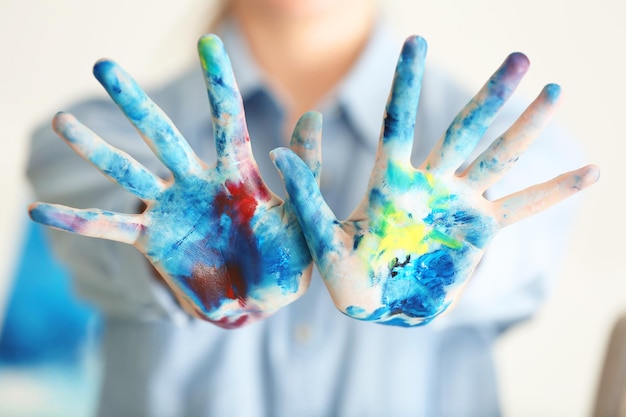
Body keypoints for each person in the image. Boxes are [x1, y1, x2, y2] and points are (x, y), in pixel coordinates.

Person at [25, 0, 598, 415]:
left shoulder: (513, 149)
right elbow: (92, 231)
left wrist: (435, 262)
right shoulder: (95, 141)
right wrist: (192, 261)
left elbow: (525, 258)